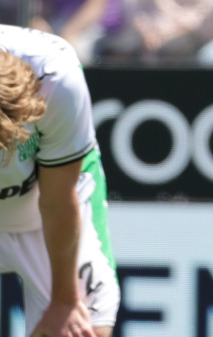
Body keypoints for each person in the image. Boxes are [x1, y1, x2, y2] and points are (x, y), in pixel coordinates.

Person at [0, 25, 121, 336]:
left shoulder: (57, 78)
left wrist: (65, 300)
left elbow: (56, 202)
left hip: (44, 212)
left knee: (82, 328)